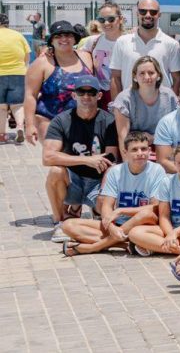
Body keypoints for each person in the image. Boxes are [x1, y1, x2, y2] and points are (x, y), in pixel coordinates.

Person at [60, 131, 167, 256]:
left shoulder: (157, 170)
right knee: (68, 225)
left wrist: (121, 211)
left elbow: (154, 207)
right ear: (125, 152)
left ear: (149, 151)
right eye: (134, 150)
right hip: (119, 224)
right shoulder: (115, 171)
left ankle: (94, 247)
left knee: (145, 214)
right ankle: (125, 244)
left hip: (143, 225)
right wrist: (111, 227)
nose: (140, 153)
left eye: (143, 149)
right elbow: (107, 206)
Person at [41, 75, 118, 242]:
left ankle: (96, 211)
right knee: (55, 171)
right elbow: (47, 157)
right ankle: (60, 222)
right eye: (81, 92)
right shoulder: (61, 120)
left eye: (91, 92)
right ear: (74, 95)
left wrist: (104, 194)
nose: (86, 96)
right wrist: (86, 160)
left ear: (99, 96)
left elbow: (111, 158)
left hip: (97, 181)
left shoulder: (109, 121)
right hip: (72, 180)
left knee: (107, 193)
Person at [23, 20, 95, 145]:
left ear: (74, 39)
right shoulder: (42, 63)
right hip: (49, 120)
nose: (63, 39)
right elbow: (30, 95)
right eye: (58, 36)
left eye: (68, 35)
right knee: (55, 158)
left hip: (84, 121)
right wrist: (29, 125)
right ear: (51, 41)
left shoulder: (86, 57)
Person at [109, 0, 180, 96]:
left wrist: (171, 104)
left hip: (161, 108)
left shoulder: (172, 44)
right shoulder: (122, 42)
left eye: (153, 12)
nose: (148, 15)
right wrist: (117, 106)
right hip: (130, 106)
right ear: (137, 13)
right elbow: (115, 77)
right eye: (143, 11)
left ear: (159, 15)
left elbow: (177, 79)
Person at [110, 56, 179, 159]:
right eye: (142, 73)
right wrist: (128, 166)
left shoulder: (169, 96)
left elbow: (175, 130)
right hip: (135, 149)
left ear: (159, 75)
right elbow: (122, 136)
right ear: (134, 77)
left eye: (151, 73)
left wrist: (153, 138)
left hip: (164, 146)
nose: (147, 77)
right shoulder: (124, 99)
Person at [80, 2, 125, 109]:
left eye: (111, 19)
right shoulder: (93, 41)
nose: (106, 23)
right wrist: (49, 51)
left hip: (123, 94)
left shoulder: (129, 42)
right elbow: (71, 55)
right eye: (101, 19)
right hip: (99, 95)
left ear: (121, 19)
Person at [0, 13, 30, 144]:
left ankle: (2, 135)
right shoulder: (18, 36)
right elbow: (27, 55)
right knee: (17, 105)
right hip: (18, 73)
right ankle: (19, 127)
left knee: (1, 107)